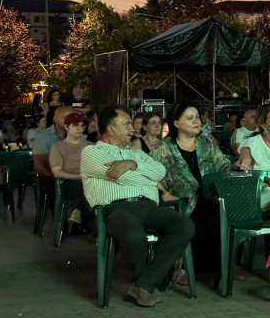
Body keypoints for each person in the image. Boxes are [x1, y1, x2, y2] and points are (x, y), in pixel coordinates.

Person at [81, 106, 195, 307]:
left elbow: (160, 171)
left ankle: (144, 284)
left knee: (184, 225)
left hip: (148, 207)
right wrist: (145, 179)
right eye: (126, 124)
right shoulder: (92, 152)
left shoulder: (136, 154)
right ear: (111, 129)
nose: (132, 128)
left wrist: (133, 165)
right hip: (115, 209)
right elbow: (121, 178)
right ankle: (149, 284)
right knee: (134, 236)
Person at [151, 103, 232, 279]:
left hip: (208, 197)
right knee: (197, 224)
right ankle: (183, 269)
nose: (196, 121)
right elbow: (150, 174)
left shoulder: (206, 143)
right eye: (190, 118)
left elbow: (223, 165)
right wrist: (164, 193)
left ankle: (221, 268)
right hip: (180, 202)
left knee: (225, 218)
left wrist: (235, 167)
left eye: (197, 117)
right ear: (177, 123)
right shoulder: (164, 148)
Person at [49, 112, 91, 232]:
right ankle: (80, 214)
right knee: (82, 184)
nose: (79, 128)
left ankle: (78, 211)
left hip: (89, 182)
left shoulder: (90, 146)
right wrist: (80, 176)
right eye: (75, 125)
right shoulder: (58, 147)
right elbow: (57, 172)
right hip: (69, 183)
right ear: (66, 127)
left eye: (82, 125)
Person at [33, 106, 73, 218]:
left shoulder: (79, 135)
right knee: (52, 188)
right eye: (64, 117)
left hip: (73, 174)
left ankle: (81, 223)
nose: (68, 120)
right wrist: (55, 176)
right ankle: (60, 223)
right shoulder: (43, 136)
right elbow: (39, 164)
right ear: (55, 118)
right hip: (50, 174)